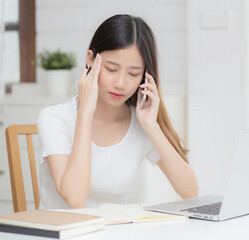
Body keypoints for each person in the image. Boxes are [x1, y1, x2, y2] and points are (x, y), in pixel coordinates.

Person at [38, 14, 199, 209]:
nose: (120, 83)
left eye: (133, 74)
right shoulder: (56, 118)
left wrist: (152, 126)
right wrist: (85, 113)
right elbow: (75, 199)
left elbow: (190, 191)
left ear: (145, 76)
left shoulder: (140, 124)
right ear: (90, 60)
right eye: (111, 69)